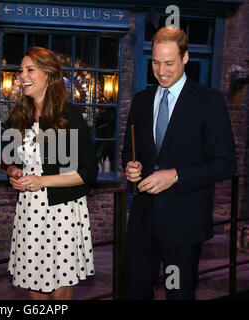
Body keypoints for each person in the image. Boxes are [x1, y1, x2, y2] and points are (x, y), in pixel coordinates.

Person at [122, 27, 236, 300]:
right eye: (156, 62)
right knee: (134, 292)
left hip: (184, 224)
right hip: (142, 220)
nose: (161, 71)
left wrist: (175, 176)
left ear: (185, 58)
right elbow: (129, 150)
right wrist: (130, 166)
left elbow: (225, 164)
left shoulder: (208, 101)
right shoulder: (141, 100)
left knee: (177, 294)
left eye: (169, 63)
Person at [4, 47, 98, 300]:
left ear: (48, 75)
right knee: (32, 281)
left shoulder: (68, 114)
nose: (22, 75)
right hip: (29, 209)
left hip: (63, 210)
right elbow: (11, 158)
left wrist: (41, 181)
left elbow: (89, 172)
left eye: (30, 70)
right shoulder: (19, 114)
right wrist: (14, 172)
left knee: (60, 286)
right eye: (21, 70)